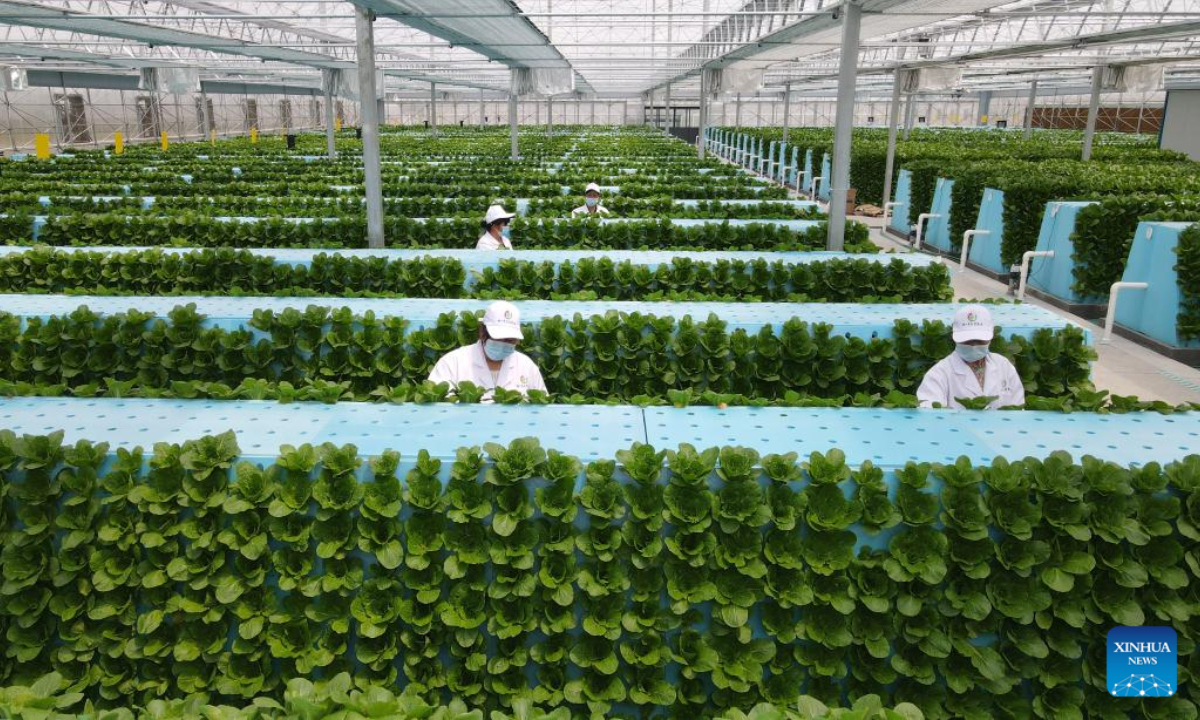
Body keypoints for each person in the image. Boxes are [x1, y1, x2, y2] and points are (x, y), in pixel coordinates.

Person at [428, 300, 547, 400]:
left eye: (510, 340)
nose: (503, 343)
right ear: (482, 332)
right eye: (498, 337)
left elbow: (541, 406)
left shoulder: (527, 366)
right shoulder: (452, 363)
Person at [917, 305, 1025, 410]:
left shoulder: (1003, 365)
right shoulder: (939, 374)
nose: (973, 346)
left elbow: (1018, 407)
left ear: (991, 337)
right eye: (967, 341)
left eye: (979, 341)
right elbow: (930, 413)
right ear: (954, 338)